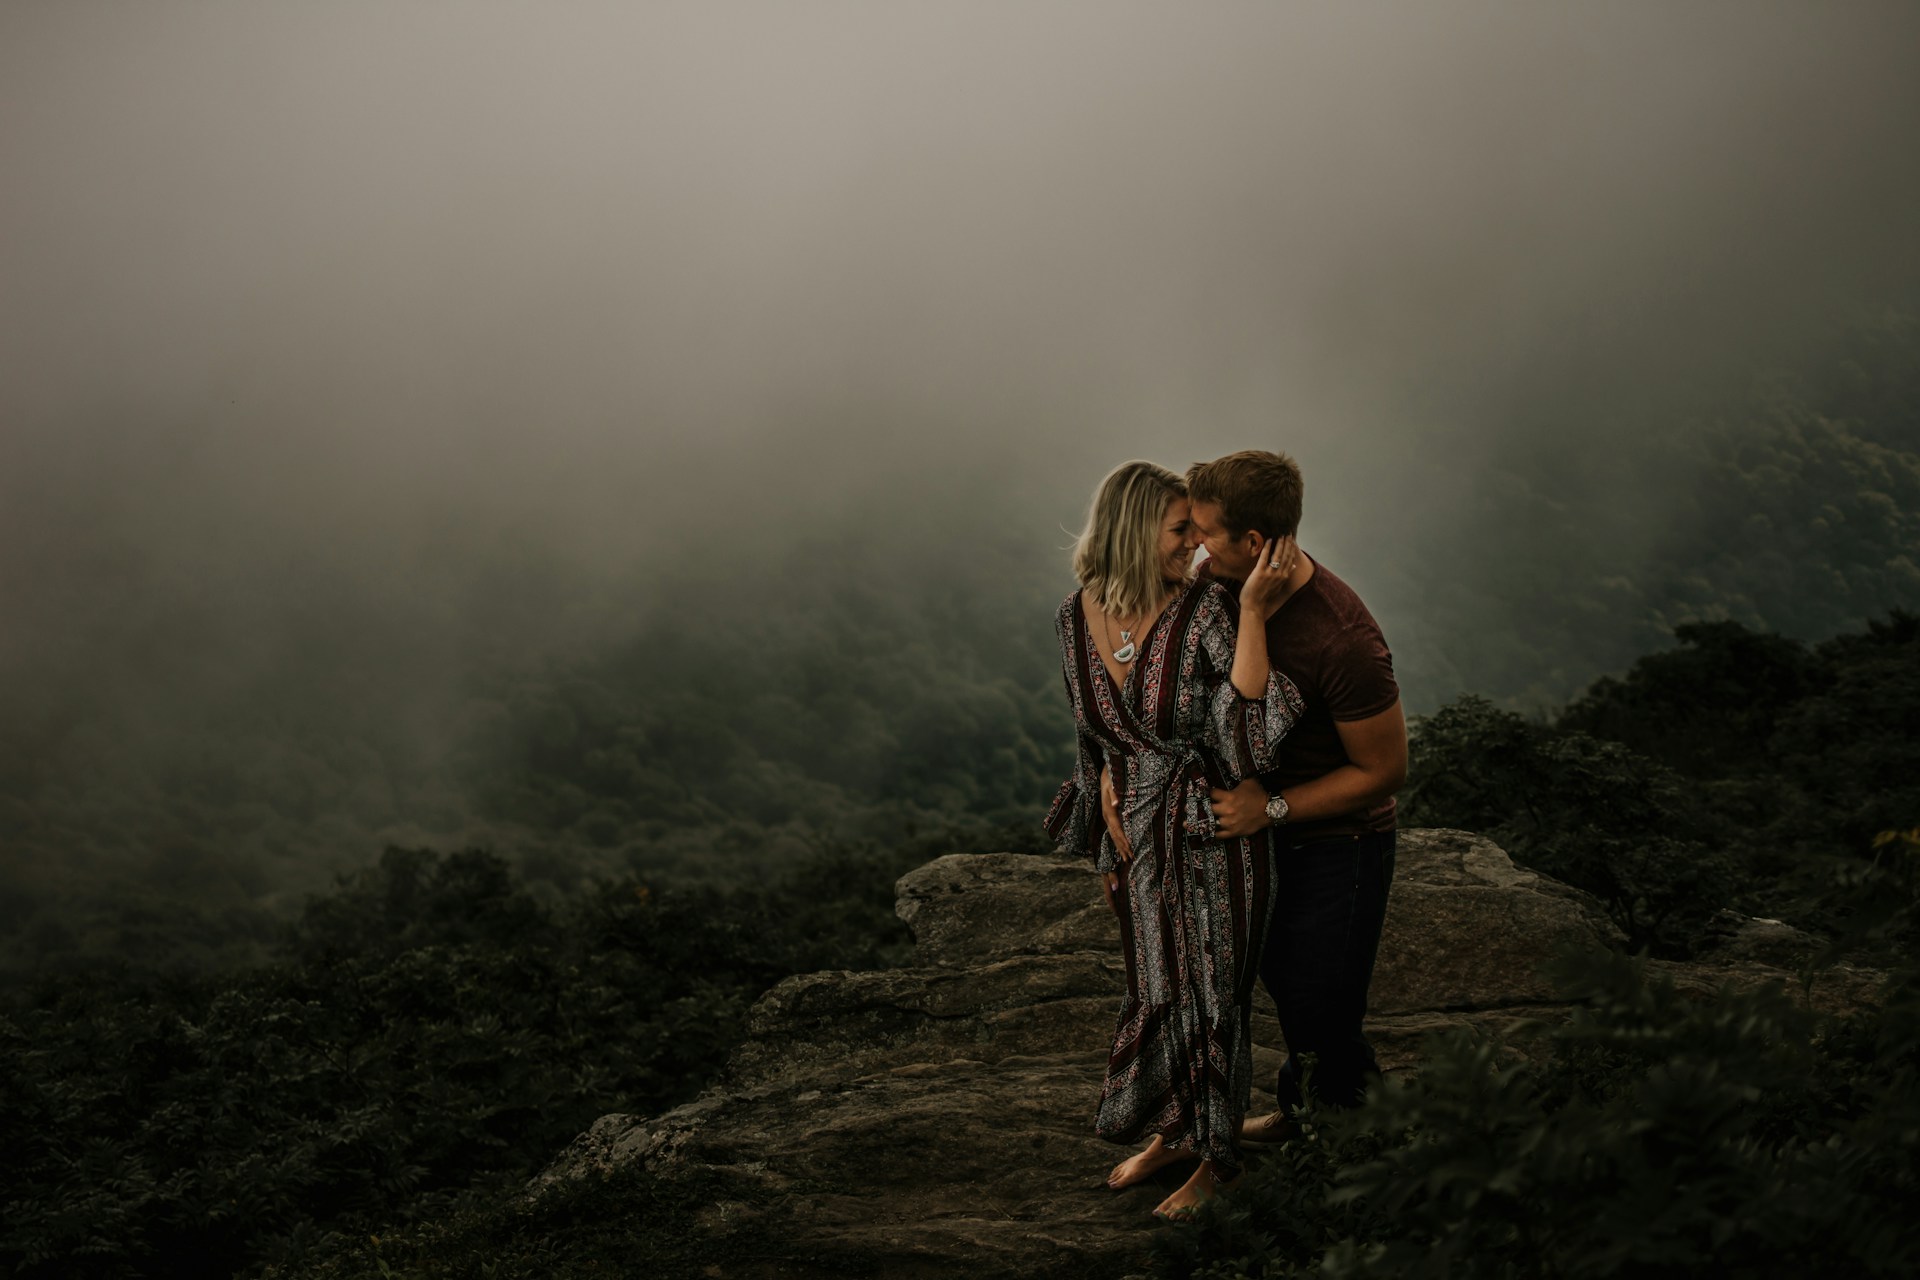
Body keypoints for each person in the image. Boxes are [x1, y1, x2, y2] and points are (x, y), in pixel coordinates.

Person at [1044, 459, 1305, 1220]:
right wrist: (1102, 816)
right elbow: (1089, 736)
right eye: (1179, 528)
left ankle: (1220, 1164)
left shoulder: (1209, 611)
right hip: (1136, 844)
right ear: (1129, 533)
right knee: (1156, 989)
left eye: (1197, 527)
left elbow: (1249, 739)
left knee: (1213, 997)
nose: (1194, 543)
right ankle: (1177, 1132)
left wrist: (1253, 614)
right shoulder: (1072, 616)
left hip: (1210, 833)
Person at [1153, 449, 1407, 1137]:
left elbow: (1383, 771)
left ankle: (1362, 1157)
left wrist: (1270, 808)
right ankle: (1305, 1116)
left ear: (1255, 543)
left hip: (1338, 843)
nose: (1196, 543)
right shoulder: (1222, 583)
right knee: (1290, 996)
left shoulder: (1344, 639)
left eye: (1205, 530)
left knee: (1325, 1010)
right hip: (1259, 835)